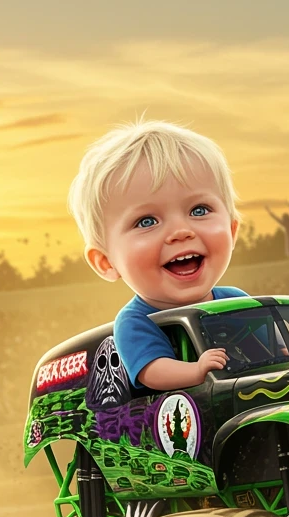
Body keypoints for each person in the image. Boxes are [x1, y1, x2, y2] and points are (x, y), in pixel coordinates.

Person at [68, 119, 247, 392]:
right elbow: (153, 371)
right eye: (146, 221)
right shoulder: (135, 322)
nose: (180, 231)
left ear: (232, 231)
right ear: (106, 262)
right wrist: (197, 370)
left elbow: (271, 349)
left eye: (199, 210)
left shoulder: (237, 302)